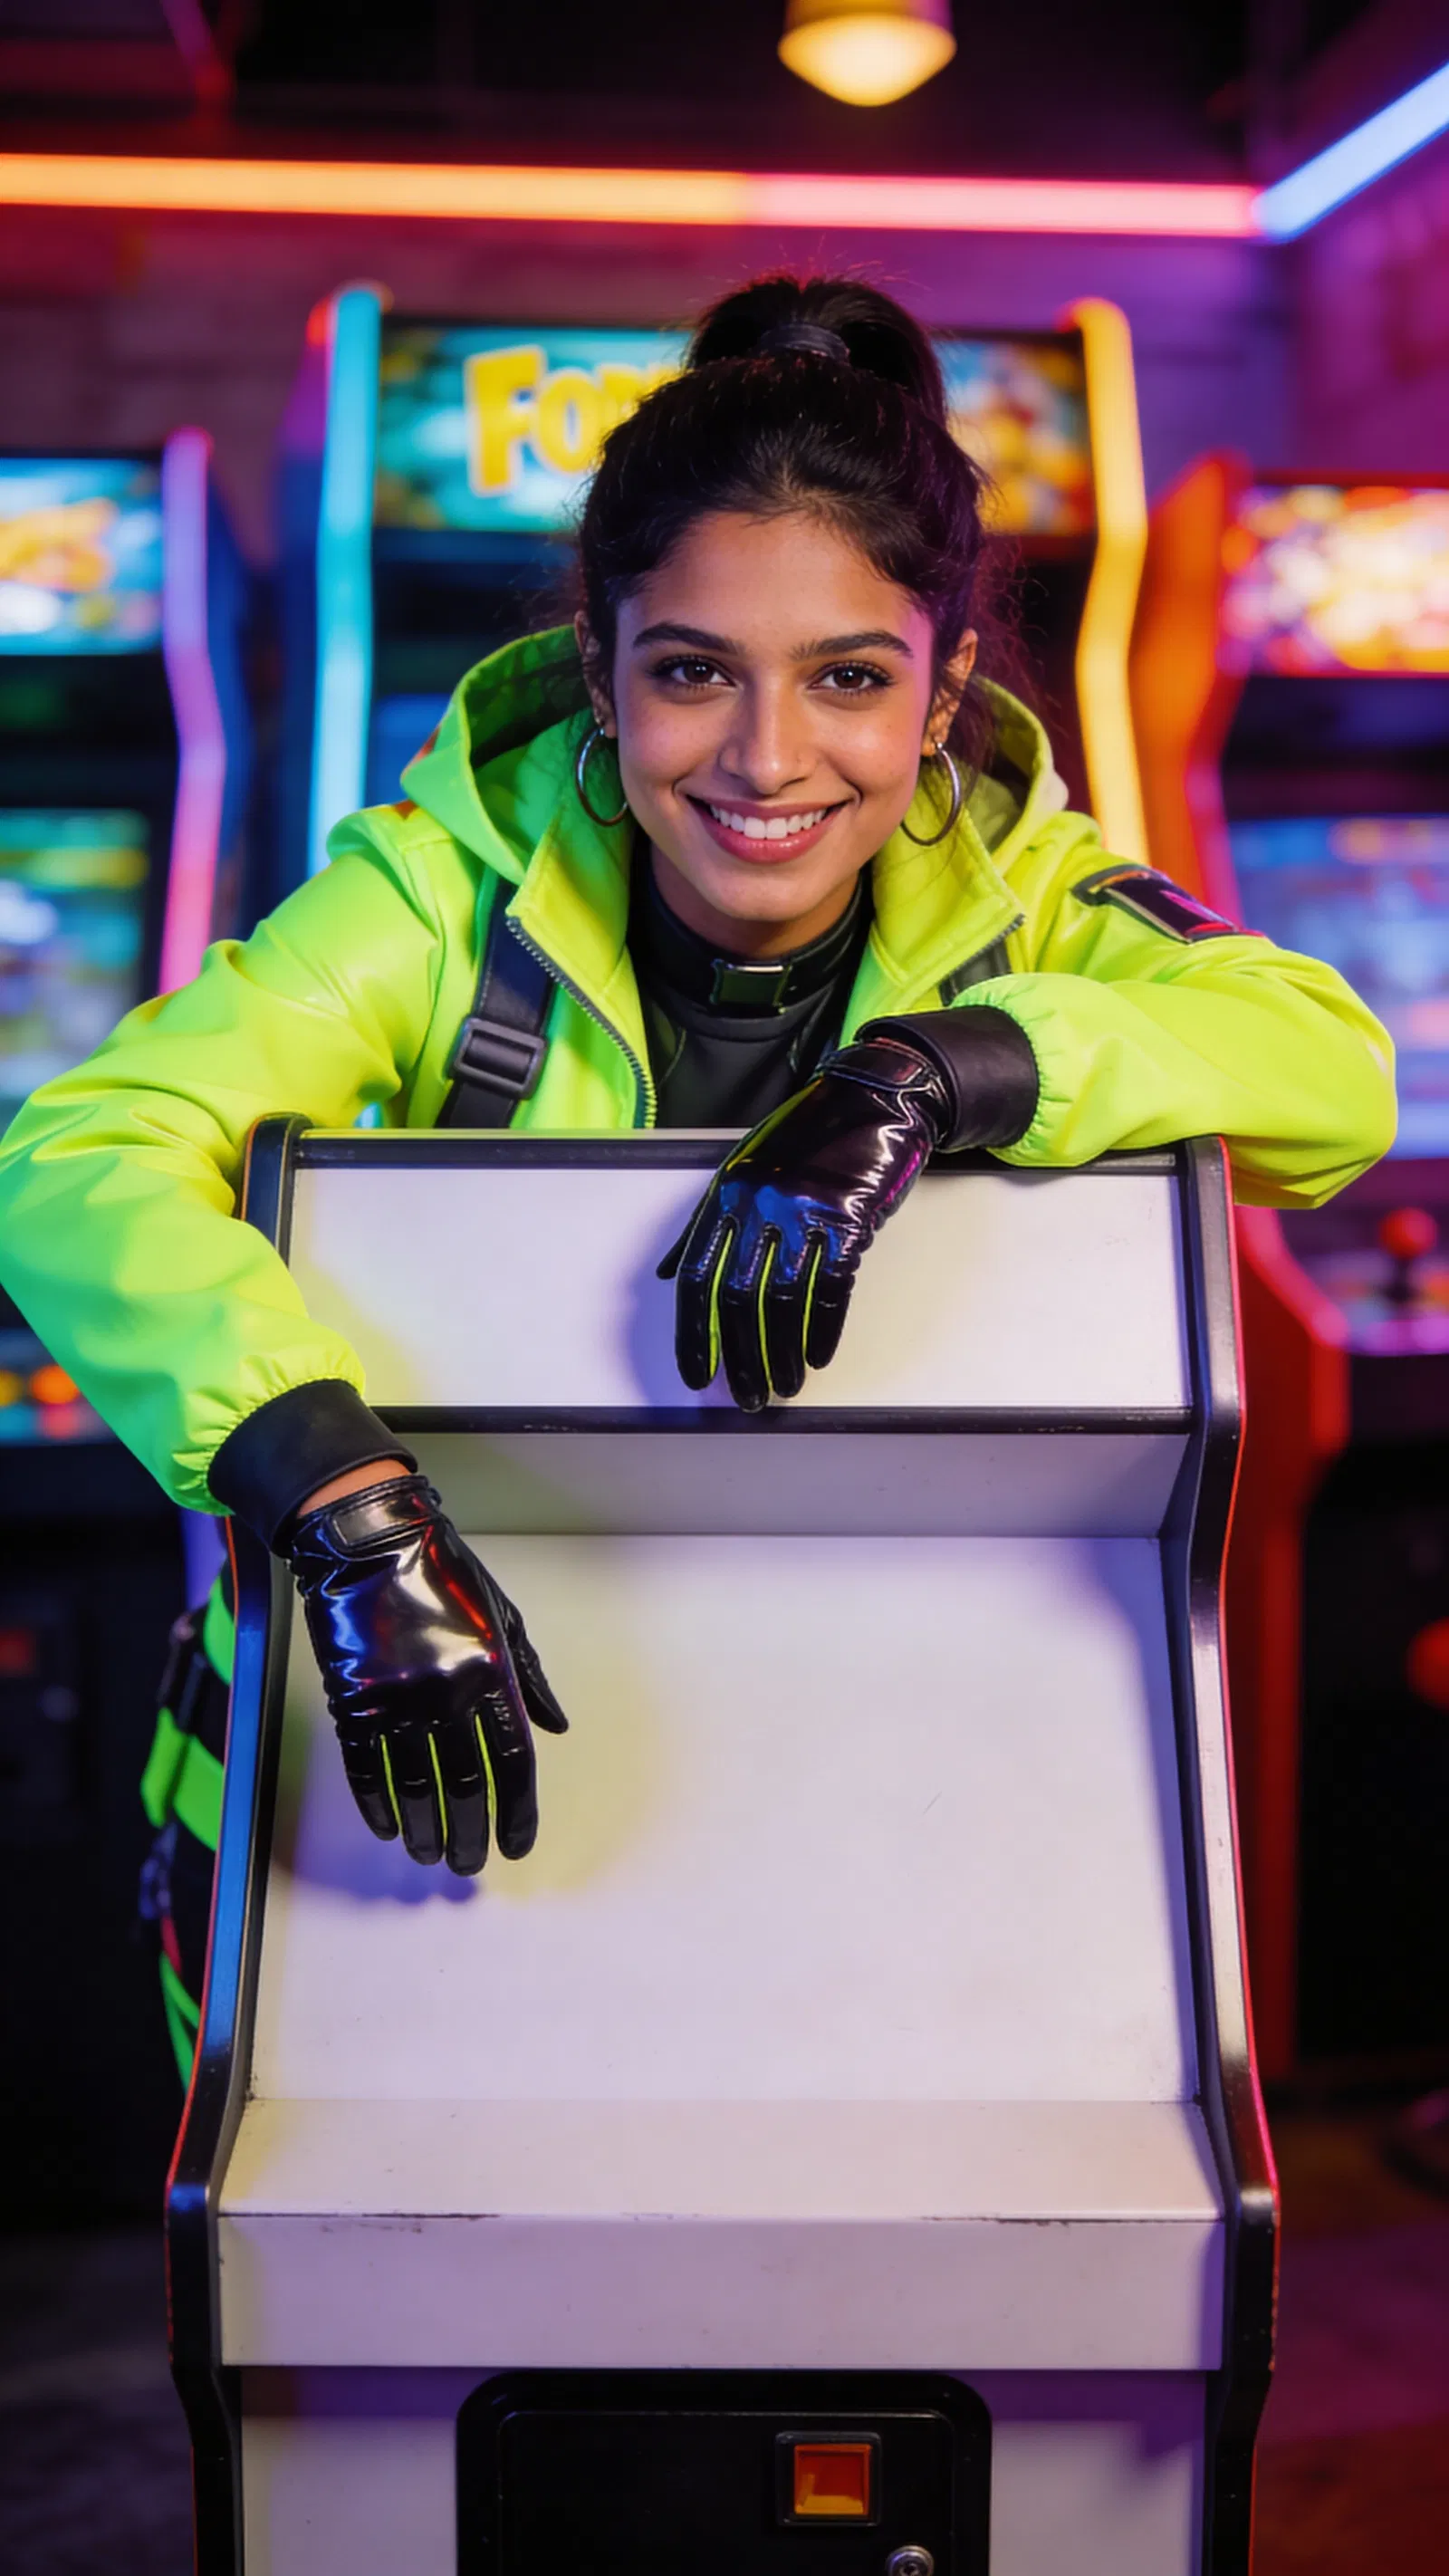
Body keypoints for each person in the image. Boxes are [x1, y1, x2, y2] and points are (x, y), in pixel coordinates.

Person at [0, 276, 1396, 2066]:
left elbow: (1329, 1073)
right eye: (688, 673)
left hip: (841, 1820)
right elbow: (76, 1150)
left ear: (940, 686)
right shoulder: (442, 891)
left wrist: (936, 1070)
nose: (765, 759)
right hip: (398, 1805)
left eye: (846, 679)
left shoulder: (1027, 892)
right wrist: (339, 1504)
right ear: (597, 665)